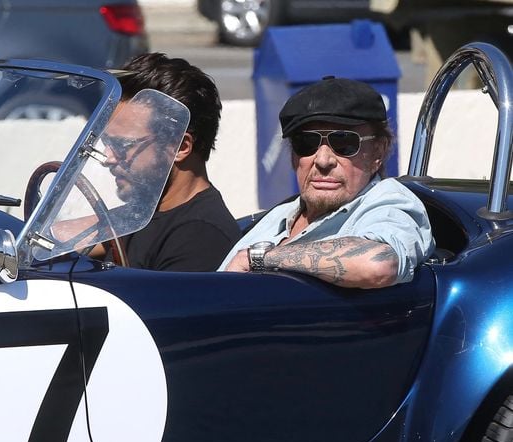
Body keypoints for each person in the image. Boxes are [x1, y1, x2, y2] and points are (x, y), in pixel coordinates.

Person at [220, 76, 434, 288]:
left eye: (344, 142)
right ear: (294, 155)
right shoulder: (278, 216)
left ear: (377, 152)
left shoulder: (388, 202)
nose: (323, 160)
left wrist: (259, 258)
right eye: (307, 143)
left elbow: (379, 265)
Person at [101, 52, 240, 271]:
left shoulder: (199, 238)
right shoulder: (143, 214)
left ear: (180, 147)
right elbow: (63, 238)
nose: (107, 158)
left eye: (123, 146)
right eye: (106, 142)